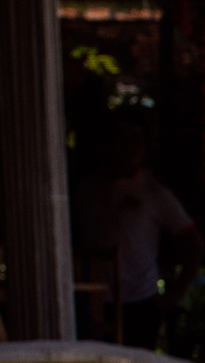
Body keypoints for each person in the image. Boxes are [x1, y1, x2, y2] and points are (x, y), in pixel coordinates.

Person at [77, 127, 194, 350]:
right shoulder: (88, 188)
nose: (130, 146)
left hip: (140, 299)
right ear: (108, 144)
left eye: (137, 140)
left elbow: (192, 241)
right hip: (93, 296)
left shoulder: (153, 192)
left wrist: (176, 293)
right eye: (123, 139)